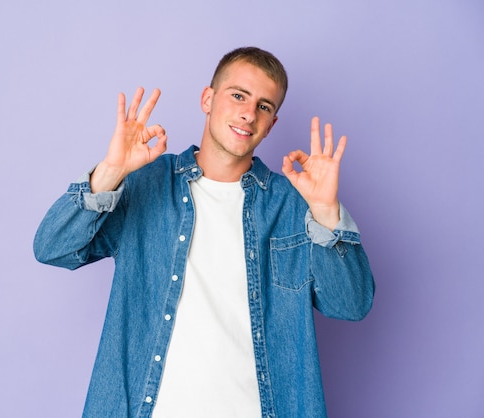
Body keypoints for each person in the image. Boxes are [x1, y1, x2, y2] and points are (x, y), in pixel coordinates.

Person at [33, 46, 374, 418]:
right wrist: (110, 172)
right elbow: (53, 248)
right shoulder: (148, 184)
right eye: (238, 96)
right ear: (207, 99)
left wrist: (326, 212)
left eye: (264, 106)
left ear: (272, 123)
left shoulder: (292, 204)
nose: (248, 112)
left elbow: (350, 305)